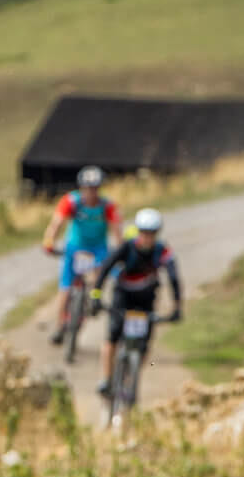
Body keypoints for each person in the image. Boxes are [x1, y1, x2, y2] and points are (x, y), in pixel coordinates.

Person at [88, 208, 182, 397]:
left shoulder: (162, 251)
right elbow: (106, 268)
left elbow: (173, 277)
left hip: (146, 300)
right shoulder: (127, 247)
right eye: (144, 233)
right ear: (138, 231)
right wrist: (96, 295)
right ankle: (106, 379)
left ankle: (131, 381)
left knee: (145, 346)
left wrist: (177, 306)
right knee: (112, 338)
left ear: (157, 234)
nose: (147, 238)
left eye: (152, 233)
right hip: (122, 297)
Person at [42, 166, 121, 344]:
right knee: (65, 287)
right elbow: (57, 223)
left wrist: (120, 250)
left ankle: (93, 301)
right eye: (87, 188)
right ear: (81, 188)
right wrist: (49, 241)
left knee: (96, 279)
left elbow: (117, 231)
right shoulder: (71, 201)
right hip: (75, 247)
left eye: (94, 188)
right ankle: (60, 326)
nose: (91, 192)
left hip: (98, 249)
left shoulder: (108, 206)